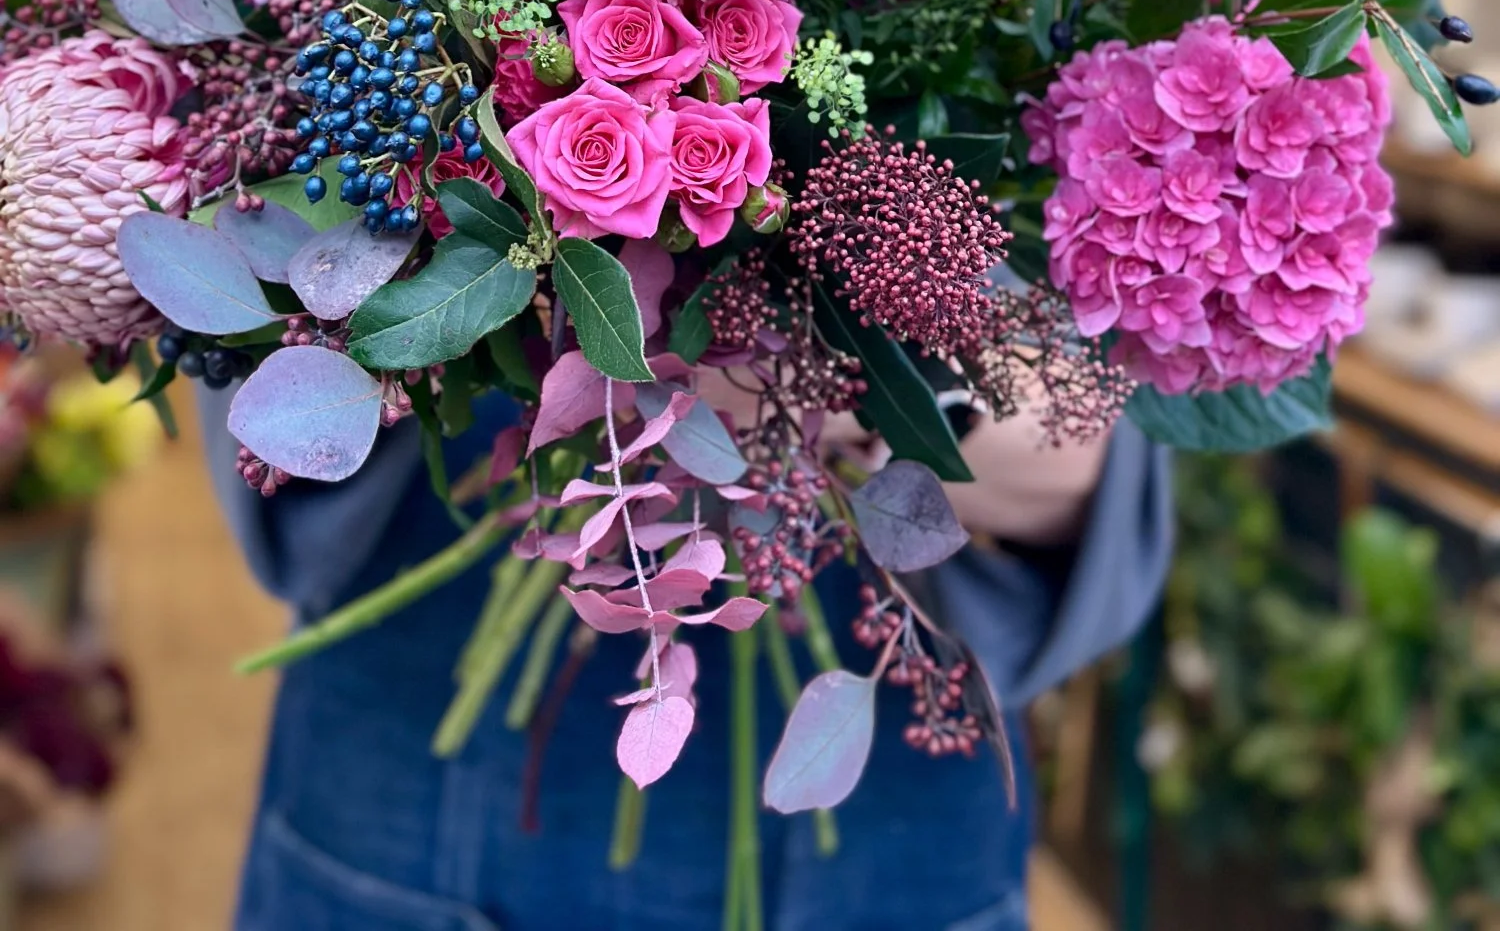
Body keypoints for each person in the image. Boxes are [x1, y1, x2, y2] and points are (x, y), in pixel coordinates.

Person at [200, 384, 1170, 931]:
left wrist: (824, 379)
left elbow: (1098, 448)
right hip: (417, 755)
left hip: (888, 804)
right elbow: (257, 356)